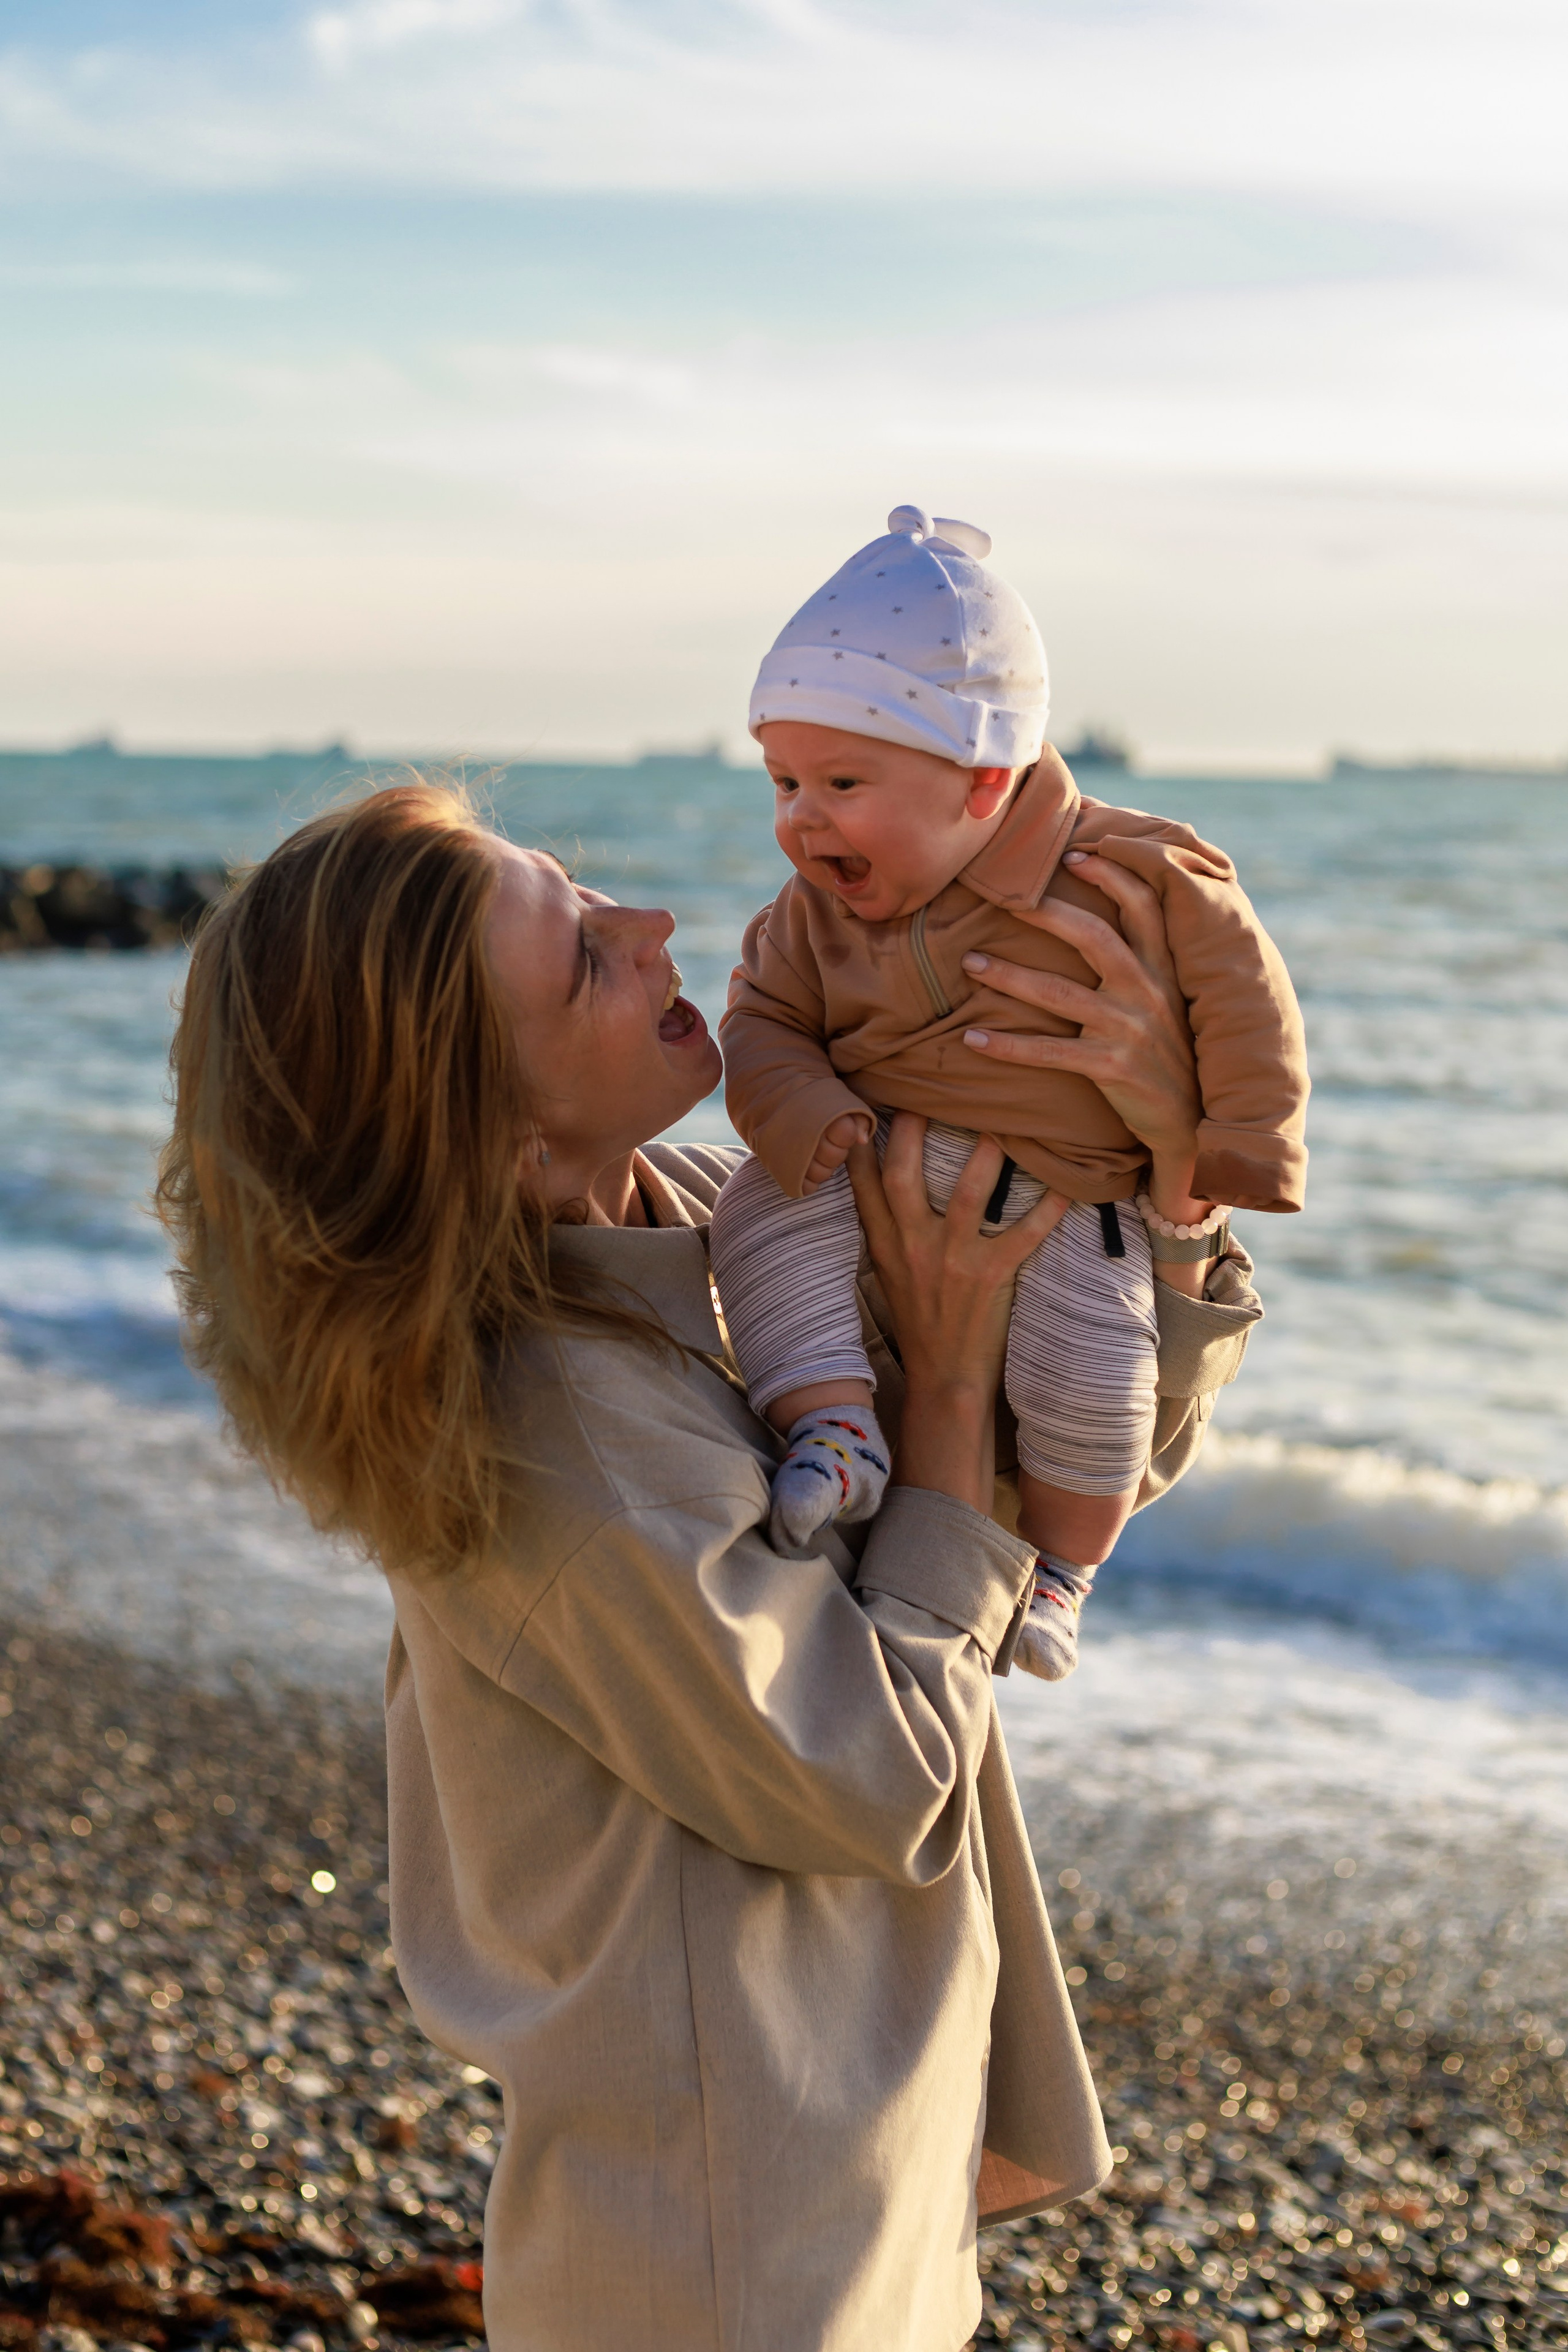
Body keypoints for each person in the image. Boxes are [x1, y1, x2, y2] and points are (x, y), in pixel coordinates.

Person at [156, 780, 1262, 2352]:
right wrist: (940, 1393)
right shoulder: (553, 1442)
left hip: (844, 2127)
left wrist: (1158, 1197)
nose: (653, 928)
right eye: (581, 963)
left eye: (583, 893)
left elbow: (1043, 1481)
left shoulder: (705, 1222)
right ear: (488, 1125)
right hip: (728, 2243)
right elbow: (875, 1772)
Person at [709, 503, 1306, 1676]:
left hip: (1075, 1197)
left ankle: (1064, 1568)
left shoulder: (1134, 873)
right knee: (757, 1219)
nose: (801, 817)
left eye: (840, 779)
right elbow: (761, 1023)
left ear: (984, 783)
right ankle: (831, 1423)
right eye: (782, 782)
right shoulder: (809, 918)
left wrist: (1225, 1156)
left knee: (1098, 1374)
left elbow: (1247, 1002)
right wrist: (801, 1113)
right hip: (865, 1163)